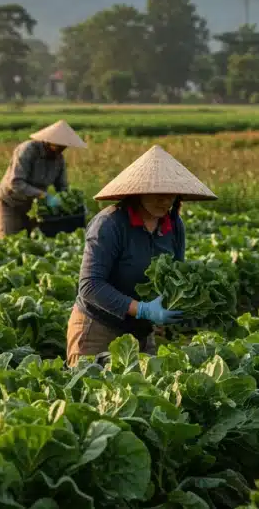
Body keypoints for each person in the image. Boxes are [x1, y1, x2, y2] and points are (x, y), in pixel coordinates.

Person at [67, 145, 217, 366]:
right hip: (99, 329)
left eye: (170, 193)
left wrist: (172, 306)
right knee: (94, 385)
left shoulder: (174, 225)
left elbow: (175, 275)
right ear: (138, 191)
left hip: (142, 331)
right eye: (157, 193)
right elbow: (90, 286)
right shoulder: (110, 224)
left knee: (145, 386)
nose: (165, 200)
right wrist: (143, 309)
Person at [0, 120, 86, 238]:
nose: (61, 149)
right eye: (58, 146)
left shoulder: (59, 159)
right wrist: (43, 195)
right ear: (48, 141)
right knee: (9, 239)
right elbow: (16, 183)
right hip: (11, 203)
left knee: (34, 241)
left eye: (64, 147)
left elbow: (62, 187)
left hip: (34, 207)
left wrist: (74, 204)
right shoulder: (28, 150)